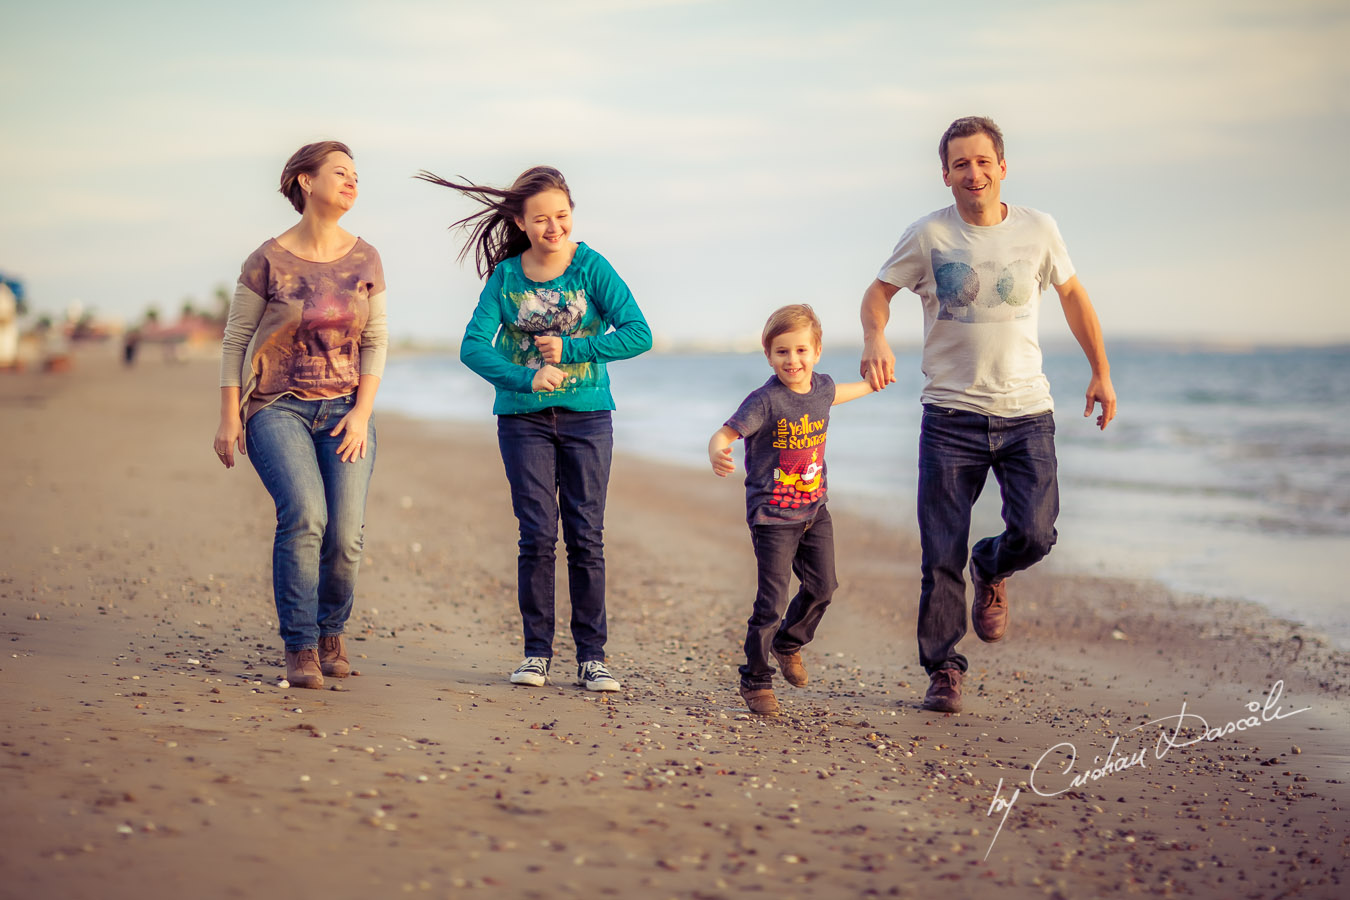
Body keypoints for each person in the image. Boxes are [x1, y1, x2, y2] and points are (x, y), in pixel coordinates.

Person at [859, 116, 1116, 714]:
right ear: (945, 174)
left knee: (1036, 532)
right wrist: (876, 337)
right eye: (960, 164)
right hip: (950, 415)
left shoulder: (1039, 230)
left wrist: (1100, 370)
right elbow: (878, 293)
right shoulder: (927, 236)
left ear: (1002, 167)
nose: (973, 173)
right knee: (939, 551)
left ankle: (992, 565)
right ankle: (943, 669)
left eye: (983, 162)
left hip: (1028, 412)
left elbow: (1074, 297)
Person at [418, 165, 652, 692]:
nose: (554, 228)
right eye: (542, 219)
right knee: (537, 537)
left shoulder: (591, 267)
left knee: (586, 537)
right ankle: (536, 655)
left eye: (562, 217)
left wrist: (573, 349)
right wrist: (526, 376)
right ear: (522, 223)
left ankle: (593, 657)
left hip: (589, 417)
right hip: (522, 421)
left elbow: (639, 333)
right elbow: (472, 347)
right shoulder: (505, 278)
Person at [214, 140, 387, 690]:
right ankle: (301, 647)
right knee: (306, 515)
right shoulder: (267, 259)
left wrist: (362, 413)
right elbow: (236, 339)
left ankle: (332, 631)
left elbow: (376, 341)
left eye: (356, 174)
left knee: (346, 537)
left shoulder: (366, 258)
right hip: (276, 409)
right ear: (306, 182)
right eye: (340, 172)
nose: (352, 181)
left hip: (345, 411)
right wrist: (228, 417)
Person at [709, 304, 874, 715]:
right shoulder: (764, 401)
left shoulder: (822, 388)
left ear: (816, 351)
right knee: (771, 600)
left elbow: (843, 392)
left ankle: (789, 642)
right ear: (769, 355)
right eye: (782, 352)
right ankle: (756, 679)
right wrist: (718, 448)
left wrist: (875, 382)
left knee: (823, 587)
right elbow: (727, 431)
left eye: (801, 350)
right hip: (772, 518)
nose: (792, 360)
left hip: (815, 510)